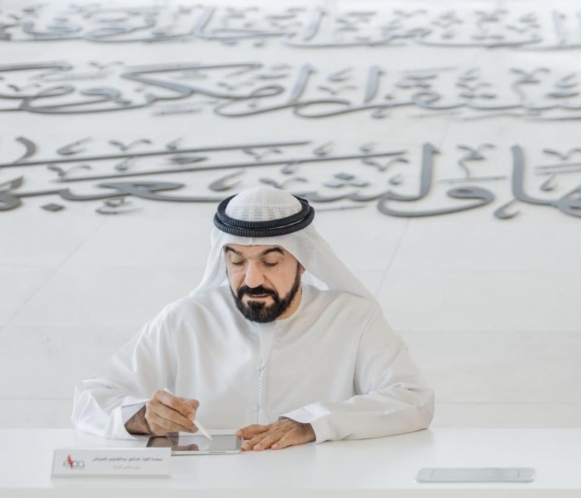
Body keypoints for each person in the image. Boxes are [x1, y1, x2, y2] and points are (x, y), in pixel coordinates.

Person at [72, 186, 434, 450]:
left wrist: (314, 423)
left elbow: (413, 400)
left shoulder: (352, 319)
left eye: (270, 262)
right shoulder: (185, 320)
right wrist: (142, 417)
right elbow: (91, 400)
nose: (252, 279)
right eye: (237, 261)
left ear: (302, 261)